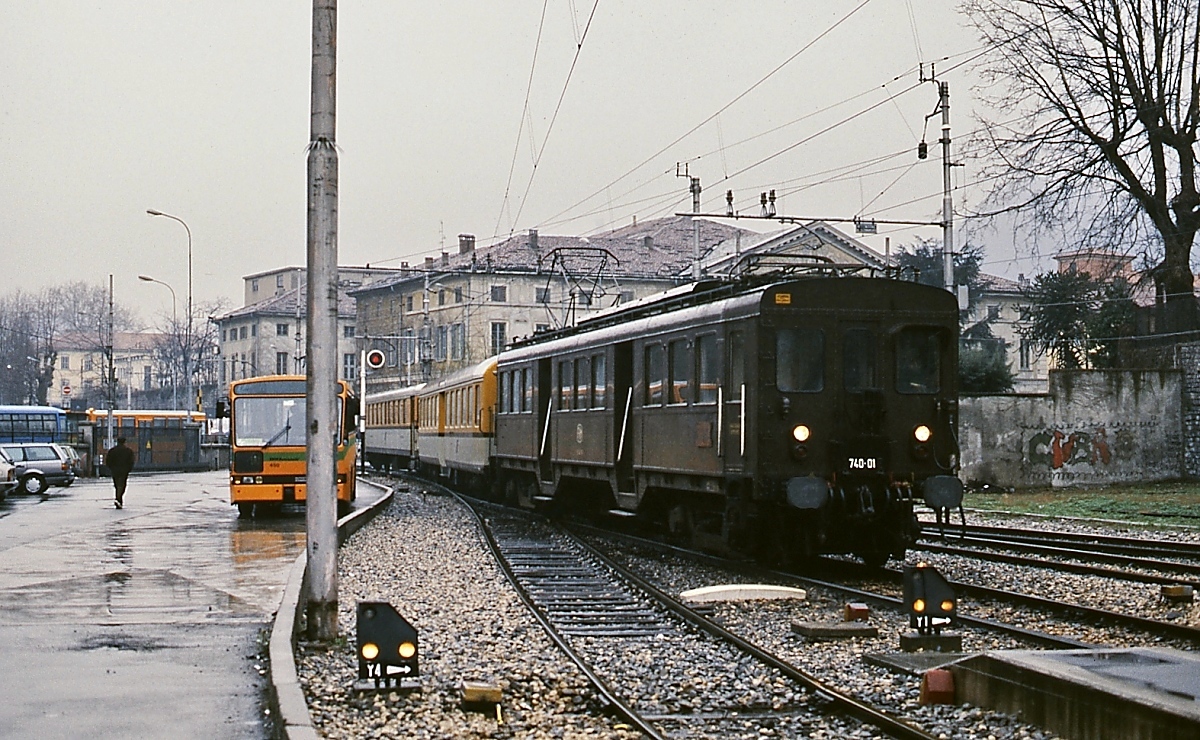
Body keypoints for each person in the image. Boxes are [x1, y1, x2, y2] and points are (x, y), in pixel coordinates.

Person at [105, 437, 135, 509]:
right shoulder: (128, 451)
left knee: (117, 485)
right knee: (122, 485)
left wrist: (112, 468)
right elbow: (131, 461)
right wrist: (128, 469)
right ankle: (118, 499)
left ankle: (119, 500)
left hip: (115, 470)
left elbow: (108, 461)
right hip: (124, 471)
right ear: (124, 442)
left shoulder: (112, 451)